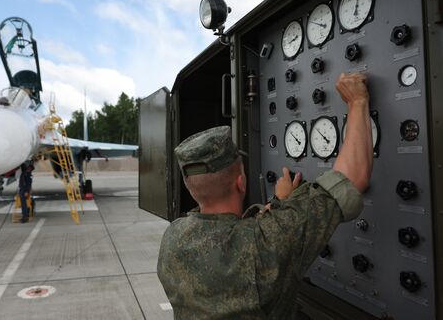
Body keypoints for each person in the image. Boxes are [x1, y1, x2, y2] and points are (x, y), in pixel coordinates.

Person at [157, 73, 373, 319]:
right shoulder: (266, 242)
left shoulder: (172, 237)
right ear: (241, 182)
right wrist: (357, 102)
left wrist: (281, 206)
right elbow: (352, 179)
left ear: (191, 188)